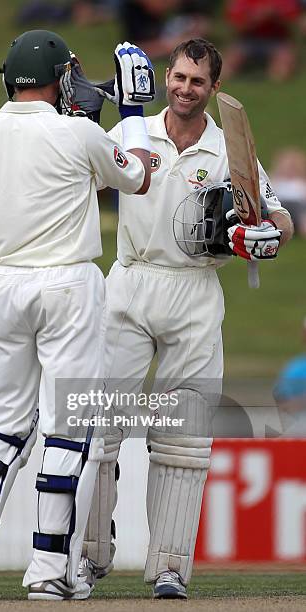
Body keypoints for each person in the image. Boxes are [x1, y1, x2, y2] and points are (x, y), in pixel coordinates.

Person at [0, 30, 154, 600]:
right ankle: (49, 570)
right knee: (66, 426)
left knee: (0, 423)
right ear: (61, 78)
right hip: (70, 285)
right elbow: (141, 174)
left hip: (3, 287)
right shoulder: (78, 131)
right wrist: (131, 109)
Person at [78, 38, 293, 599]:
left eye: (197, 82)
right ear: (165, 77)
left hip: (195, 293)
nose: (184, 89)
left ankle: (169, 566)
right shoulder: (131, 134)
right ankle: (88, 555)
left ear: (214, 88)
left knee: (183, 440)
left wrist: (268, 236)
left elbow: (277, 216)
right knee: (99, 425)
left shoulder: (228, 151)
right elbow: (79, 177)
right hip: (128, 283)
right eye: (177, 77)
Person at [222, 0, 301, 81]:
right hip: (247, 41)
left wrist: (276, 16)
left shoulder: (285, 2)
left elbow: (294, 25)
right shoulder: (241, 2)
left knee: (282, 71)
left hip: (278, 41)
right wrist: (255, 19)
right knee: (226, 67)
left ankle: (272, 85)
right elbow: (234, 28)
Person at [269, 147, 306, 237]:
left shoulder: (301, 182)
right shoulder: (272, 179)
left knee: (301, 209)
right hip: (280, 205)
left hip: (298, 208)